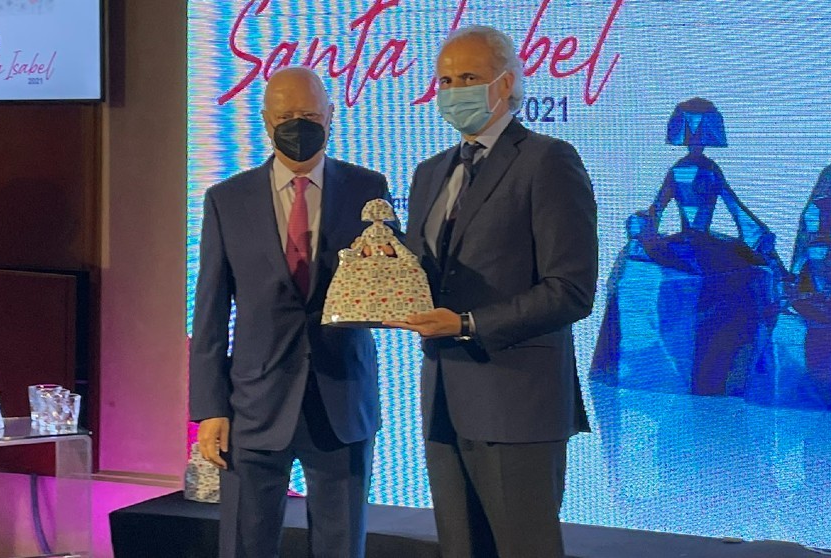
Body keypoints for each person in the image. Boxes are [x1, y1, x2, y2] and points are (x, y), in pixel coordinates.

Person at [387, 25, 598, 558]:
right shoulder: (430, 173)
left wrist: (468, 324)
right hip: (443, 400)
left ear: (505, 84)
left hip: (518, 405)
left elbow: (570, 290)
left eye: (468, 78)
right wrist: (382, 274)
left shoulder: (548, 160)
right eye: (445, 81)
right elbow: (424, 274)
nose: (453, 91)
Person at [189, 66, 392, 558]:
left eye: (308, 115)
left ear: (330, 116)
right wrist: (210, 409)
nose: (297, 125)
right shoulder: (227, 199)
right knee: (246, 545)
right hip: (253, 405)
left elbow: (388, 280)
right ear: (265, 121)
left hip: (342, 400)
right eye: (285, 117)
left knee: (341, 546)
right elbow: (210, 312)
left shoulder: (368, 188)